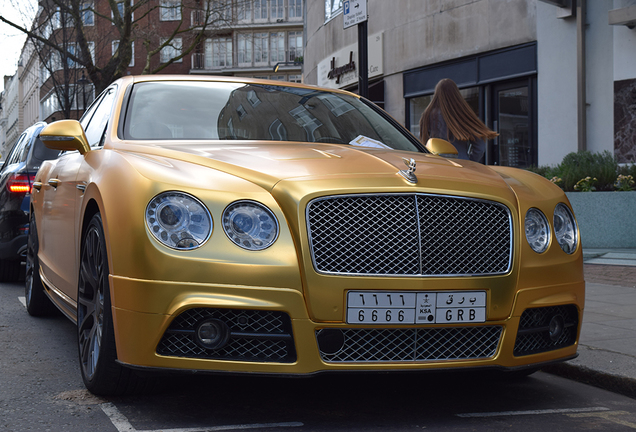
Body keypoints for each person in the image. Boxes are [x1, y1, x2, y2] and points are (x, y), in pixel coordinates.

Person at [419, 78, 498, 163]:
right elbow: (480, 148)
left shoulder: (427, 115)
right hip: (461, 164)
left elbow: (423, 143)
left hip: (437, 164)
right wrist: (469, 161)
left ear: (437, 94)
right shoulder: (463, 114)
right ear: (456, 94)